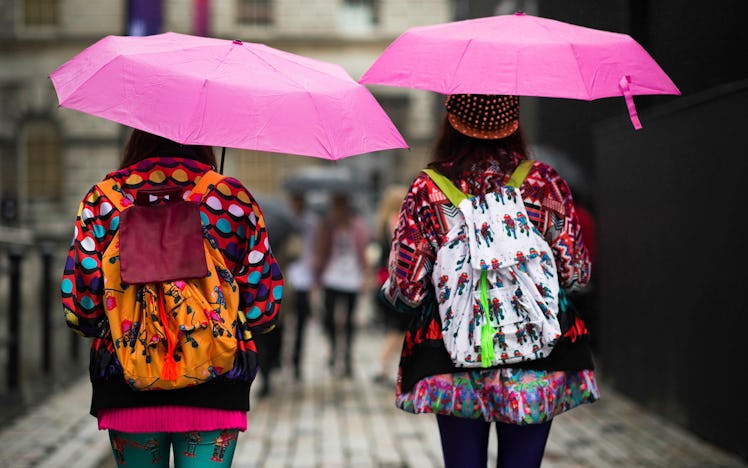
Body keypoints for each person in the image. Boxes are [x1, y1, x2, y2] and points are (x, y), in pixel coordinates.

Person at [381, 94, 598, 468]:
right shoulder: (544, 182)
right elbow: (577, 274)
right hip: (536, 355)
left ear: (449, 121)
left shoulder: (427, 189)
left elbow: (409, 290)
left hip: (450, 355)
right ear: (513, 122)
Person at [61, 129, 283, 468]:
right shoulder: (230, 197)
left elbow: (82, 309)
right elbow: (263, 311)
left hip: (126, 378)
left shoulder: (102, 199)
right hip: (215, 383)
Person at [313, 191, 369, 377]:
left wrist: (365, 275)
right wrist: (317, 276)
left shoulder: (357, 226)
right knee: (328, 318)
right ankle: (334, 348)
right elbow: (320, 252)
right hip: (331, 278)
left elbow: (363, 253)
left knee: (350, 321)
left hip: (351, 279)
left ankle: (346, 356)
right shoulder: (328, 226)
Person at [371, 184, 410, 386]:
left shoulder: (382, 221)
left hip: (384, 281)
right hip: (396, 283)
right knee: (398, 329)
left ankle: (389, 366)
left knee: (398, 329)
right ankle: (381, 366)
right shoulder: (396, 221)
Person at [284, 191, 319, 380]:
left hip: (304, 278)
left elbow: (315, 248)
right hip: (287, 278)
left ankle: (296, 362)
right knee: (281, 324)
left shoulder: (311, 222)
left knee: (301, 325)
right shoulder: (284, 221)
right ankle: (280, 360)